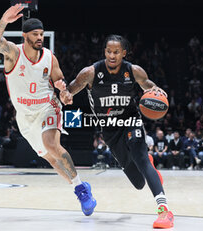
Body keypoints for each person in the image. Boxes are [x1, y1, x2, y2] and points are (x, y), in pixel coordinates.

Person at [0, 3, 96, 216]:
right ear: (25, 35)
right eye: (36, 34)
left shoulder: (49, 57)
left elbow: (59, 81)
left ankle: (82, 190)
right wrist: (3, 20)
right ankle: (79, 187)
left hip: (48, 106)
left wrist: (64, 92)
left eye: (42, 34)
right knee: (50, 158)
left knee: (51, 145)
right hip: (25, 118)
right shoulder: (13, 53)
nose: (40, 37)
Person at [60, 35, 174, 228]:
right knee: (138, 182)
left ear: (124, 53)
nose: (112, 56)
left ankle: (164, 211)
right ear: (104, 52)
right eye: (108, 51)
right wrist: (65, 95)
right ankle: (149, 166)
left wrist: (158, 91)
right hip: (109, 131)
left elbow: (149, 85)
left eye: (116, 52)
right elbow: (70, 90)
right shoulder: (90, 73)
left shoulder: (134, 71)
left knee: (141, 158)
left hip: (131, 120)